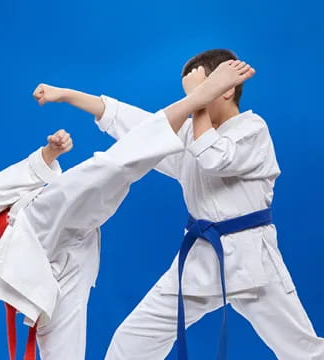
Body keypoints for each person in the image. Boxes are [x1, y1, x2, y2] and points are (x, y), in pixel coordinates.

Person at [0, 59, 254, 360]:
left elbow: (0, 187)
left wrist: (48, 153)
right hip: (59, 273)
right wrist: (38, 316)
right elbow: (24, 286)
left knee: (111, 166)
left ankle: (196, 100)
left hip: (41, 222)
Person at [35, 49, 324, 359]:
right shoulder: (189, 134)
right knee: (130, 343)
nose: (194, 101)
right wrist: (66, 95)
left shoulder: (253, 130)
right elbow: (137, 126)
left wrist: (198, 99)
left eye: (202, 91)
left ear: (226, 90)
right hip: (199, 260)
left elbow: (212, 156)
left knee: (303, 351)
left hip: (252, 260)